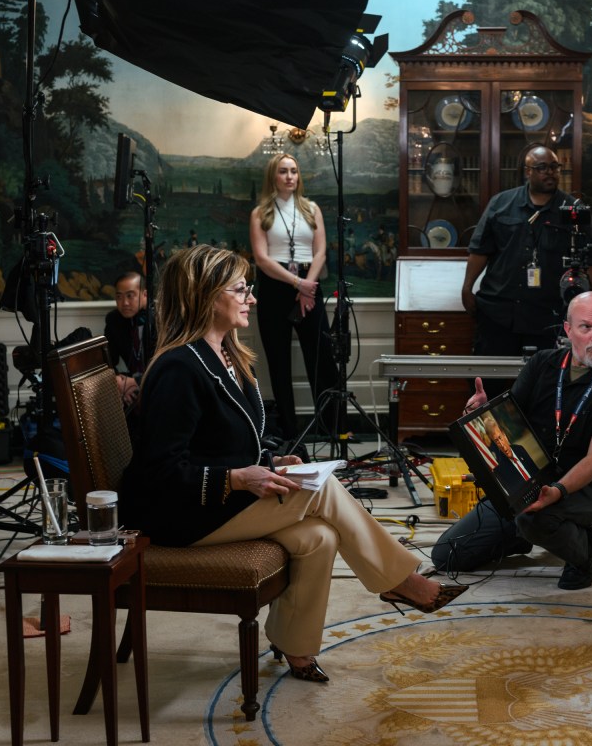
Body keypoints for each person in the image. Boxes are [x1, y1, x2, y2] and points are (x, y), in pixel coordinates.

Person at [119, 245, 465, 683]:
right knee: (320, 490)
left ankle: (296, 647)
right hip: (180, 515)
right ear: (207, 295)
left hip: (220, 499)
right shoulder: (177, 368)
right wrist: (238, 478)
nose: (252, 298)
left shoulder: (229, 356)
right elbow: (160, 472)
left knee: (318, 536)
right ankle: (400, 580)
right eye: (242, 288)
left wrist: (268, 460)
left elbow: (226, 439)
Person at [431, 292, 592, 590]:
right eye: (586, 327)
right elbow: (508, 422)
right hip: (527, 479)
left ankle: (585, 550)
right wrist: (482, 413)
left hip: (584, 490)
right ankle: (521, 535)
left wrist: (557, 490)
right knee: (446, 556)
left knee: (531, 518)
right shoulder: (543, 364)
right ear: (567, 330)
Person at [462, 145, 592, 389]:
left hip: (547, 317)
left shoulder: (573, 212)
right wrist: (467, 288)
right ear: (527, 171)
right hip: (499, 312)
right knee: (487, 386)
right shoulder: (501, 204)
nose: (550, 173)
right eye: (542, 168)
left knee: (544, 388)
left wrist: (585, 304)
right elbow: (480, 250)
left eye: (554, 167)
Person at [249, 152, 342, 442]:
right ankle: (290, 435)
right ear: (273, 177)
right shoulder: (260, 213)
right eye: (283, 171)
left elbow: (320, 252)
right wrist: (297, 284)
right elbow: (262, 259)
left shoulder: (311, 209)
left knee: (322, 358)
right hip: (276, 286)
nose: (290, 176)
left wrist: (307, 286)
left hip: (309, 284)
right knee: (278, 363)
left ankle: (331, 428)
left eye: (294, 171)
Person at [104, 271, 149, 409]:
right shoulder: (114, 320)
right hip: (127, 383)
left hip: (156, 381)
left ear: (145, 295)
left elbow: (166, 366)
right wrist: (117, 381)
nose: (125, 303)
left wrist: (136, 382)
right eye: (119, 297)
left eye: (130, 295)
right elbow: (108, 359)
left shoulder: (162, 319)